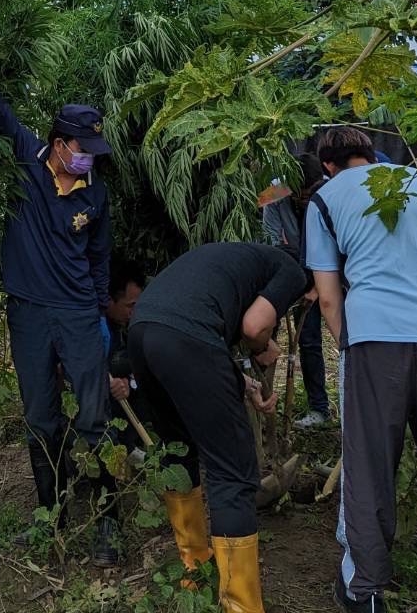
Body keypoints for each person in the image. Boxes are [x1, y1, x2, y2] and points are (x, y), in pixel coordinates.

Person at [305, 126, 417, 613]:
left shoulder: (325, 199)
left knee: (370, 464)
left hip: (376, 338)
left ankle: (366, 590)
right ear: (373, 156)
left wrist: (348, 349)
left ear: (329, 165)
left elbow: (329, 297)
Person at [0, 76, 120, 565]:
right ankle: (51, 515)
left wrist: (99, 312)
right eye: (84, 149)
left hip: (79, 313)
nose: (90, 159)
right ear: (59, 145)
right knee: (40, 418)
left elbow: (100, 257)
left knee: (95, 417)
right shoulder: (26, 159)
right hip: (28, 313)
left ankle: (108, 522)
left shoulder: (94, 194)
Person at [129, 242, 306, 613]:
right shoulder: (289, 269)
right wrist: (262, 348)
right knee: (233, 474)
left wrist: (244, 384)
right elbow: (254, 325)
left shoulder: (232, 260)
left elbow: (200, 335)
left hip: (143, 334)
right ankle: (240, 606)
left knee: (179, 453)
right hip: (184, 339)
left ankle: (195, 570)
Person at [262, 152, 331, 428]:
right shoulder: (275, 191)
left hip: (329, 267)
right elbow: (270, 240)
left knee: (324, 338)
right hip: (292, 264)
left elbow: (336, 247)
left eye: (309, 192)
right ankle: (273, 404)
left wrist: (317, 287)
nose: (303, 198)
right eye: (299, 192)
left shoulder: (330, 191)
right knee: (289, 337)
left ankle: (323, 406)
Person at [103, 258, 148, 450]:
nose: (134, 312)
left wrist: (127, 383)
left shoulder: (122, 327)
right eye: (130, 306)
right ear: (109, 300)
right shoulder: (94, 328)